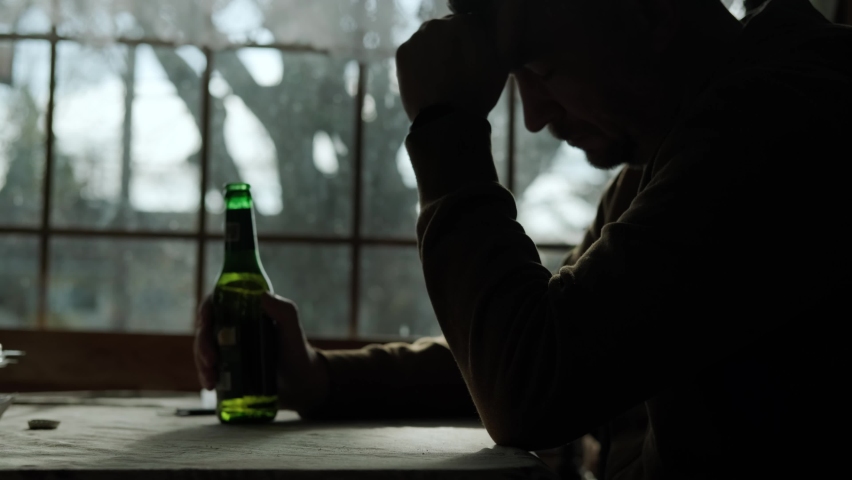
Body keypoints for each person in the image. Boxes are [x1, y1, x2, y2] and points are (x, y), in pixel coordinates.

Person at [195, 0, 851, 478]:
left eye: (542, 68)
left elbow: (532, 387)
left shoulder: (783, 121)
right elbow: (543, 342)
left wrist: (447, 129)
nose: (534, 116)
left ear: (652, 11)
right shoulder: (672, 156)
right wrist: (319, 378)